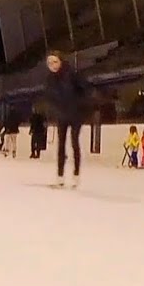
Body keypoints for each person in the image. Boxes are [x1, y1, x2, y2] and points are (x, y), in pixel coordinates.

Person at [43, 50, 92, 188]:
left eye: (55, 62)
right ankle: (60, 177)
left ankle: (76, 175)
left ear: (61, 61)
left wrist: (81, 105)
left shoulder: (71, 74)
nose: (52, 65)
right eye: (49, 63)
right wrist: (54, 109)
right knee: (61, 144)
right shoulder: (50, 79)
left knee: (74, 142)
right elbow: (50, 96)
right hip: (62, 115)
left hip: (76, 114)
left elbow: (85, 89)